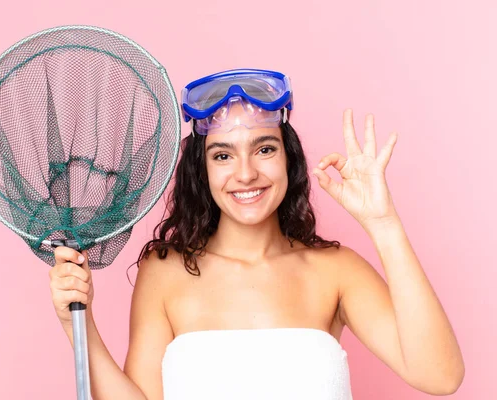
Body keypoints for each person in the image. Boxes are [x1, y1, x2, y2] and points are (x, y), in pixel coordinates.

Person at [48, 69, 465, 399]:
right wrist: (75, 327)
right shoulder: (165, 272)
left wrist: (383, 222)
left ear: (289, 158)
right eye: (223, 155)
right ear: (203, 170)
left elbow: (440, 375)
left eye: (264, 149)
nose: (245, 173)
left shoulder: (337, 271)